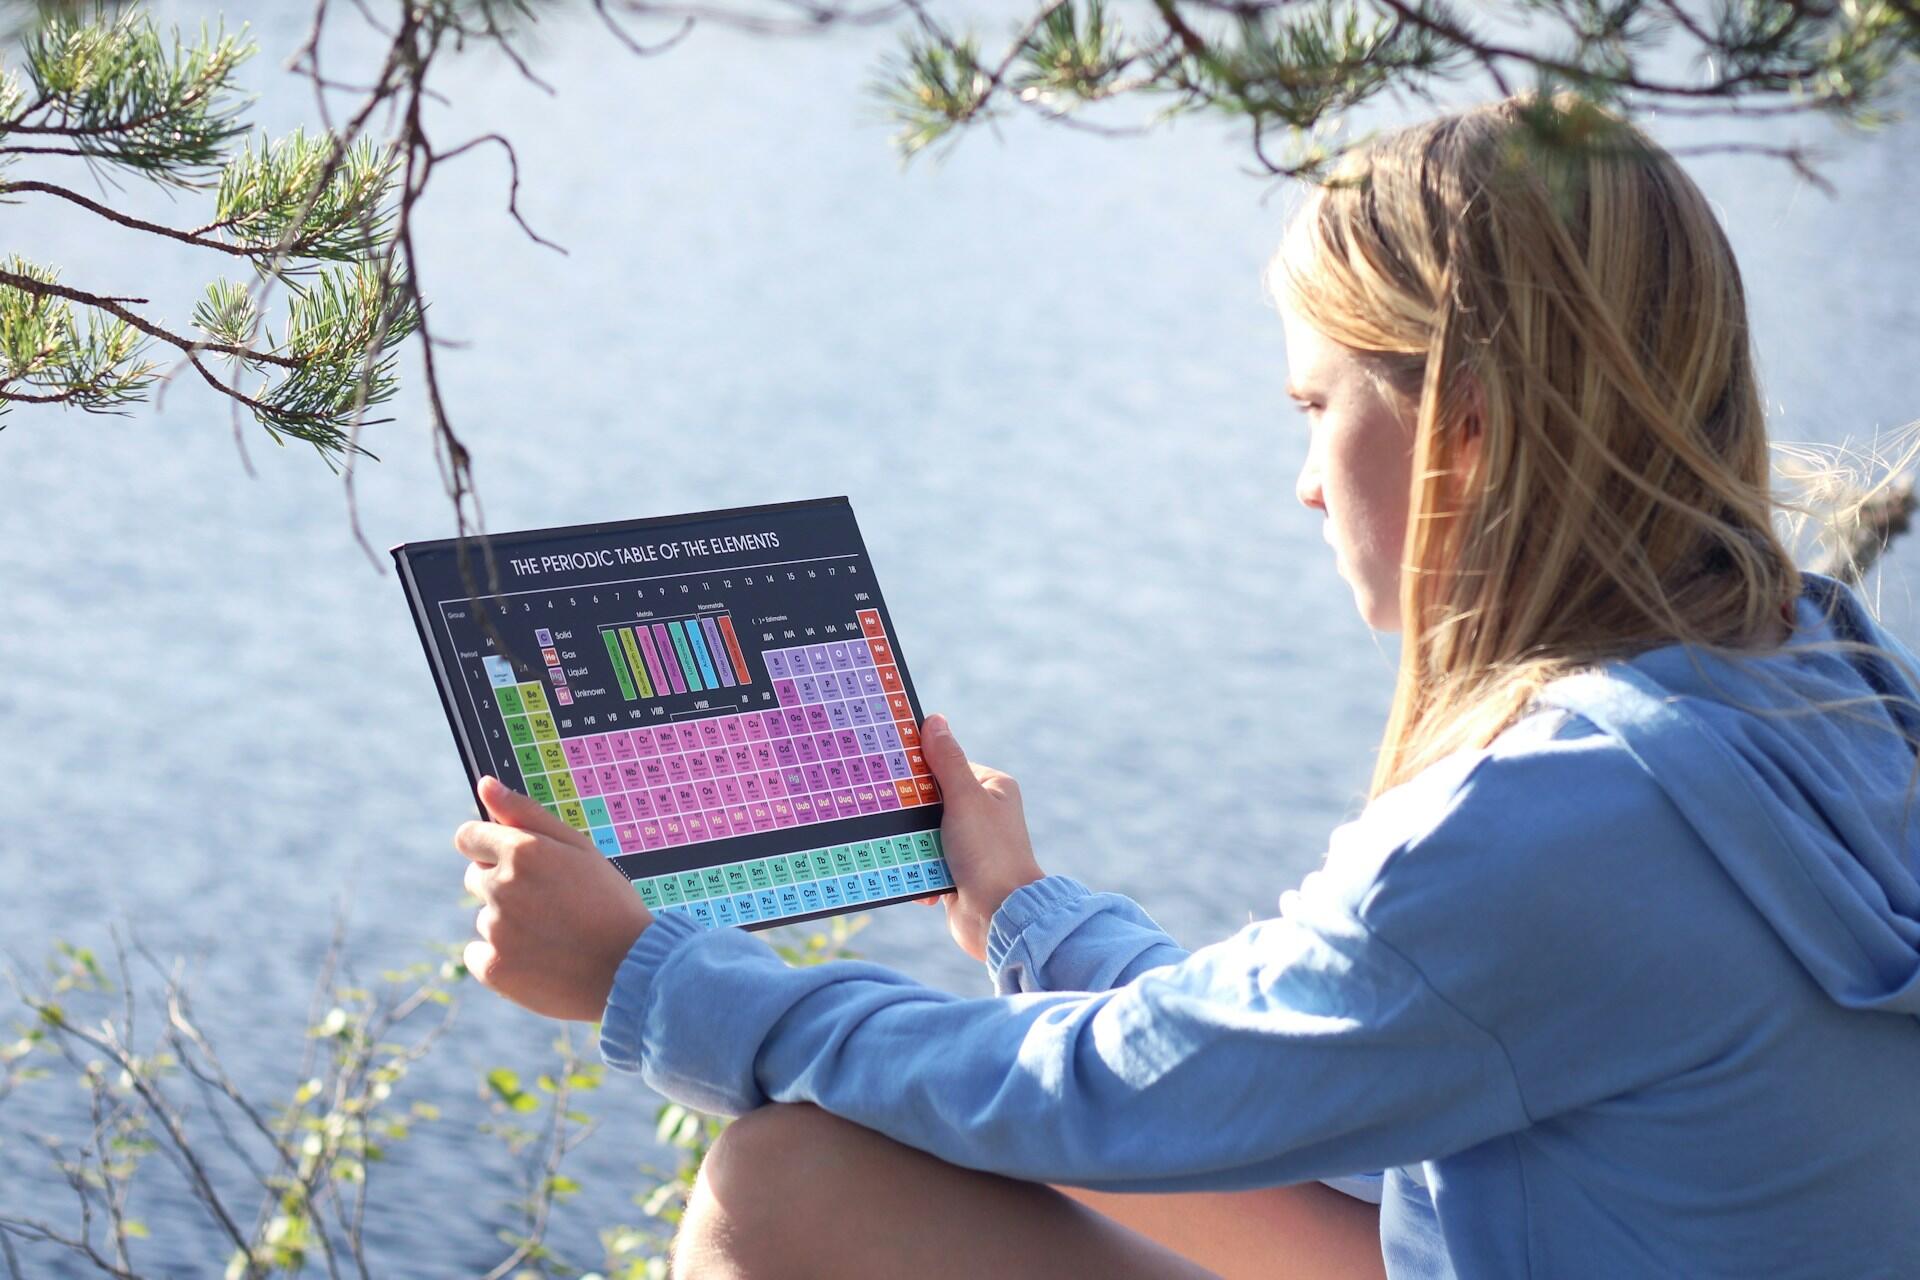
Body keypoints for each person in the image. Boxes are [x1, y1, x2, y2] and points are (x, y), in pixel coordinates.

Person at [452, 90, 1920, 1279]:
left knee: (792, 1189)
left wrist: (644, 976)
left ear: (1463, 426)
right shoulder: (1820, 682)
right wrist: (1029, 919)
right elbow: (1295, 1056)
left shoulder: (1565, 819)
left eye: (1315, 408)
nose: (1300, 484)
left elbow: (1107, 1095)